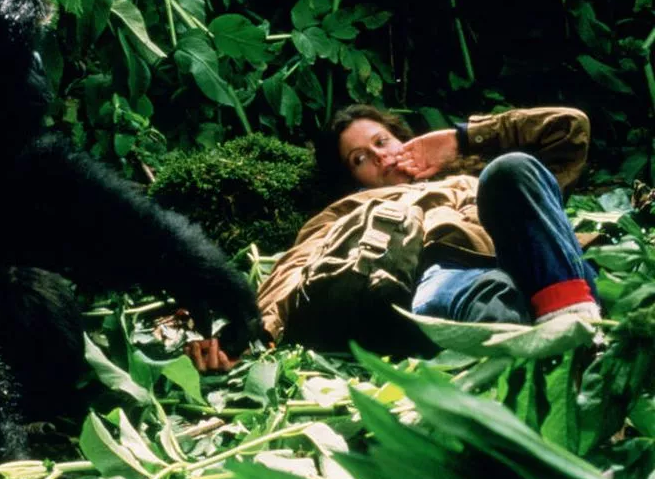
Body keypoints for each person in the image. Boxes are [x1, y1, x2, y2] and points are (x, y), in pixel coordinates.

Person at [257, 105, 600, 351]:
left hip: (541, 260)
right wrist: (257, 331)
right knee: (465, 297)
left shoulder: (472, 173)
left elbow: (570, 129)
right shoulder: (348, 209)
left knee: (510, 170)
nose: (379, 157)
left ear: (400, 138)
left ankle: (572, 320)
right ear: (351, 178)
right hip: (447, 272)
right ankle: (556, 344)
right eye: (359, 159)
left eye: (381, 141)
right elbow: (294, 266)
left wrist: (460, 140)